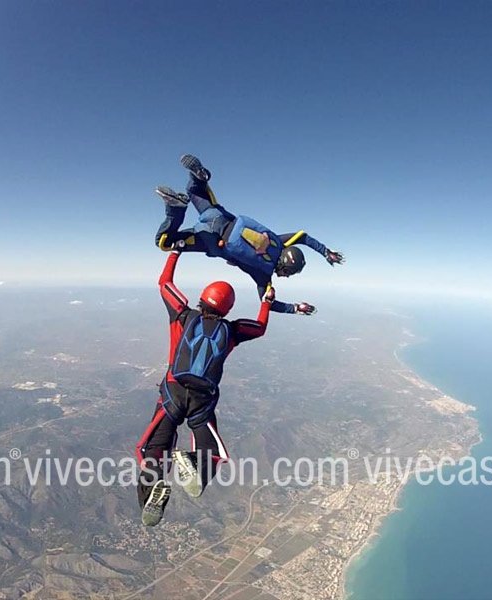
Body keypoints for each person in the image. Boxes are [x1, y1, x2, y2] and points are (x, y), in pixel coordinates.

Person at [135, 245, 274, 526]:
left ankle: (152, 490)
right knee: (212, 453)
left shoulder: (182, 315)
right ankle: (195, 467)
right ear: (227, 307)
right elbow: (259, 328)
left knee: (155, 448)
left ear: (203, 297)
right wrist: (266, 301)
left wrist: (175, 253)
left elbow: (164, 283)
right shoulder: (231, 331)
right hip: (202, 401)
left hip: (172, 391)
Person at [153, 154, 345, 315]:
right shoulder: (263, 274)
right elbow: (268, 303)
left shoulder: (280, 242)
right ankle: (175, 209)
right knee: (164, 242)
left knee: (194, 189)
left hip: (219, 216)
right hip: (210, 239)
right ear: (284, 266)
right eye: (287, 273)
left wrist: (326, 252)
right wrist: (295, 308)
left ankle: (199, 178)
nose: (285, 277)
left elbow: (303, 236)